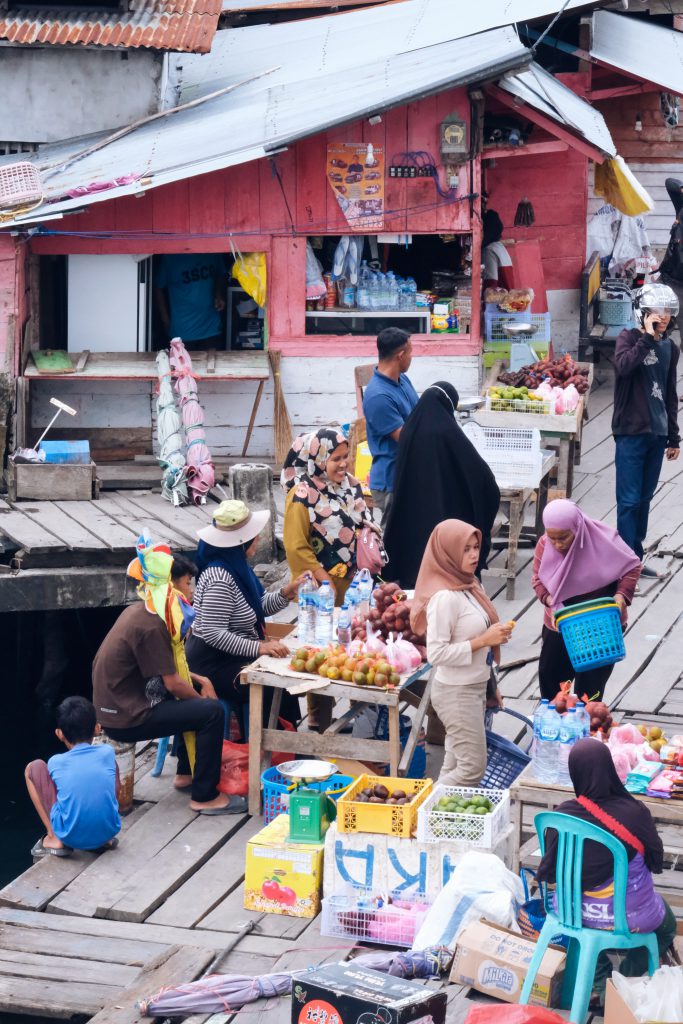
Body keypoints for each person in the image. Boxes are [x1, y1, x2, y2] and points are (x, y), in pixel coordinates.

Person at [92, 539, 237, 815]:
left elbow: (168, 672)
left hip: (125, 701)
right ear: (171, 587)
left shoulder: (140, 611)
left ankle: (185, 774)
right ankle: (205, 796)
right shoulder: (153, 625)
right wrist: (202, 699)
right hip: (126, 717)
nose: (191, 590)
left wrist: (201, 682)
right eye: (187, 583)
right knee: (210, 713)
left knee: (195, 698)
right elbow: (172, 683)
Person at [537, 739, 676, 1004]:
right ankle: (620, 985)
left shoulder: (563, 816)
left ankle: (596, 983)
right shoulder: (635, 812)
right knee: (666, 924)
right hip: (629, 918)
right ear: (609, 770)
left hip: (571, 913)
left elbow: (551, 871)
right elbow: (655, 862)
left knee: (586, 934)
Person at [185, 500, 305, 734]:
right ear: (243, 542)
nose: (258, 539)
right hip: (212, 664)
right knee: (274, 684)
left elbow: (257, 607)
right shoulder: (220, 577)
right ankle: (271, 747)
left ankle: (285, 744)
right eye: (255, 536)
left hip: (232, 655)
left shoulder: (238, 568)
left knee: (285, 674)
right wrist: (258, 648)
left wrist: (286, 593)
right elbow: (212, 632)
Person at [411, 520, 511, 787]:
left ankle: (439, 824)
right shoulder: (444, 598)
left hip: (474, 687)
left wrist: (491, 686)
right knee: (472, 769)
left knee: (454, 763)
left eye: (476, 547)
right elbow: (436, 654)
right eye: (465, 549)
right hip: (456, 692)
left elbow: (482, 647)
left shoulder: (470, 586)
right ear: (448, 553)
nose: (474, 555)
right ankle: (427, 809)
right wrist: (482, 641)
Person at [384, 381, 500, 588]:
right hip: (447, 514)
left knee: (417, 564)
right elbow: (484, 479)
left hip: (413, 516)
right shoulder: (447, 431)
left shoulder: (410, 429)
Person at [532, 499, 641, 702]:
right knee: (552, 681)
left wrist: (621, 595)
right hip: (562, 621)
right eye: (552, 537)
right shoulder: (545, 545)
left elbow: (632, 566)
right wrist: (549, 600)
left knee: (590, 690)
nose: (557, 544)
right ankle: (556, 726)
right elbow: (537, 579)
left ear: (577, 527)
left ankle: (588, 728)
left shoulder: (603, 539)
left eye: (563, 538)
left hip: (600, 624)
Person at [613, 283, 680, 573]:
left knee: (643, 499)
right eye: (656, 311)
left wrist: (674, 436)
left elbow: (669, 391)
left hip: (658, 432)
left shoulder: (671, 347)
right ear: (642, 313)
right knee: (628, 501)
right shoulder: (627, 338)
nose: (662, 317)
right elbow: (624, 367)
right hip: (630, 432)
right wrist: (647, 338)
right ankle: (624, 565)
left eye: (667, 311)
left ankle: (635, 559)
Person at [281, 428, 378, 605]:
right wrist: (326, 583)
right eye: (336, 459)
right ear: (318, 460)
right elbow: (296, 548)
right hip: (322, 592)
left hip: (357, 586)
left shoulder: (350, 485)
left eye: (345, 456)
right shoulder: (302, 495)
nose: (344, 464)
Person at [25, 696, 121, 859]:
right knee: (111, 766)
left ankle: (54, 837)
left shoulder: (56, 762)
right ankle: (104, 837)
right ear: (97, 729)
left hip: (70, 836)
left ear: (59, 734)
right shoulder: (107, 752)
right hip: (109, 829)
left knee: (33, 768)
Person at [362, 328, 418, 522]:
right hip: (391, 481)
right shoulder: (378, 396)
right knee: (394, 543)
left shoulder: (403, 380)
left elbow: (419, 416)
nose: (411, 357)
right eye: (410, 353)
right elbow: (406, 438)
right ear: (400, 356)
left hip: (409, 474)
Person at [155, 253, 226, 350]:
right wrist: (165, 320)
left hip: (211, 327)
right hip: (183, 331)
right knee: (184, 365)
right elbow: (158, 287)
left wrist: (218, 294)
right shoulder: (170, 257)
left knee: (213, 364)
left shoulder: (212, 250)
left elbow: (220, 273)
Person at [482, 210, 513, 290]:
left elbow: (491, 282)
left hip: (497, 298)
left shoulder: (489, 250)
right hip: (506, 294)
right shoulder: (500, 247)